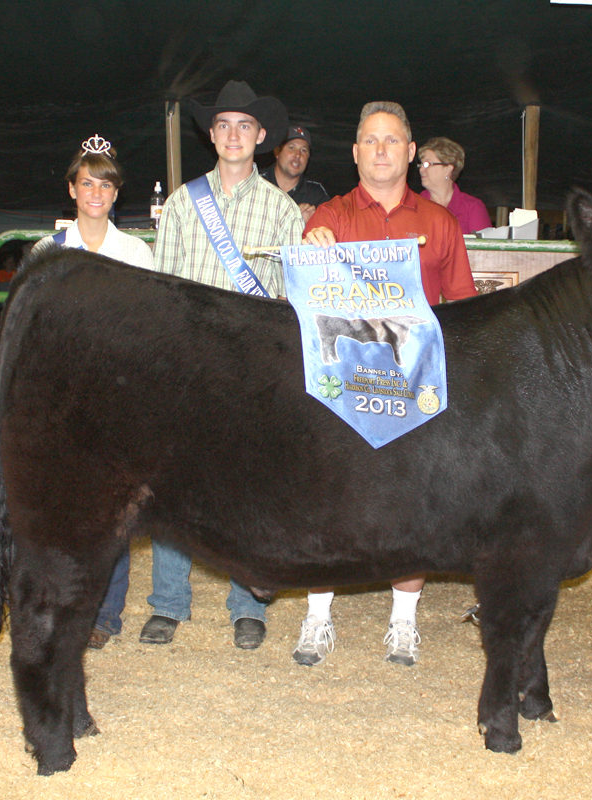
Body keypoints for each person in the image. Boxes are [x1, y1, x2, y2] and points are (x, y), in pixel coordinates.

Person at [297, 101, 477, 668]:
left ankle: (403, 624)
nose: (380, 150)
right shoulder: (327, 218)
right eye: (370, 141)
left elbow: (464, 309)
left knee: (413, 506)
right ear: (355, 153)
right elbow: (304, 306)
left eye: (391, 141)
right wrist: (311, 253)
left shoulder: (440, 224)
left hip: (414, 387)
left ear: (409, 151)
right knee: (329, 498)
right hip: (345, 389)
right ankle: (317, 616)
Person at [148, 79, 303, 650]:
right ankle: (168, 601)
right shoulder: (185, 203)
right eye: (223, 125)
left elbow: (290, 302)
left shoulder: (285, 212)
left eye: (245, 126)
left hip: (252, 371)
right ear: (210, 135)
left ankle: (246, 603)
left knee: (249, 487)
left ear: (261, 137)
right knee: (174, 484)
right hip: (190, 365)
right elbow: (163, 288)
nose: (233, 135)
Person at [35, 135, 154, 650]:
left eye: (106, 183)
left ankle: (106, 615)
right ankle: (65, 606)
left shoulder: (136, 251)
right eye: (88, 182)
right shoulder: (49, 251)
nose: (97, 192)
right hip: (64, 398)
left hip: (117, 394)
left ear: (115, 192)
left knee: (114, 512)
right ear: (72, 189)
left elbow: (148, 326)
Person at [416, 136, 492, 235]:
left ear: (448, 169)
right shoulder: (413, 205)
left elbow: (484, 249)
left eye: (427, 164)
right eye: (421, 164)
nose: (421, 169)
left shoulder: (472, 208)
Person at [260, 124, 329, 225]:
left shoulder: (316, 193)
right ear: (277, 152)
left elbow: (329, 230)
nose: (298, 155)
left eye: (304, 150)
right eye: (291, 148)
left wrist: (314, 223)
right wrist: (295, 219)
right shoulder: (257, 183)